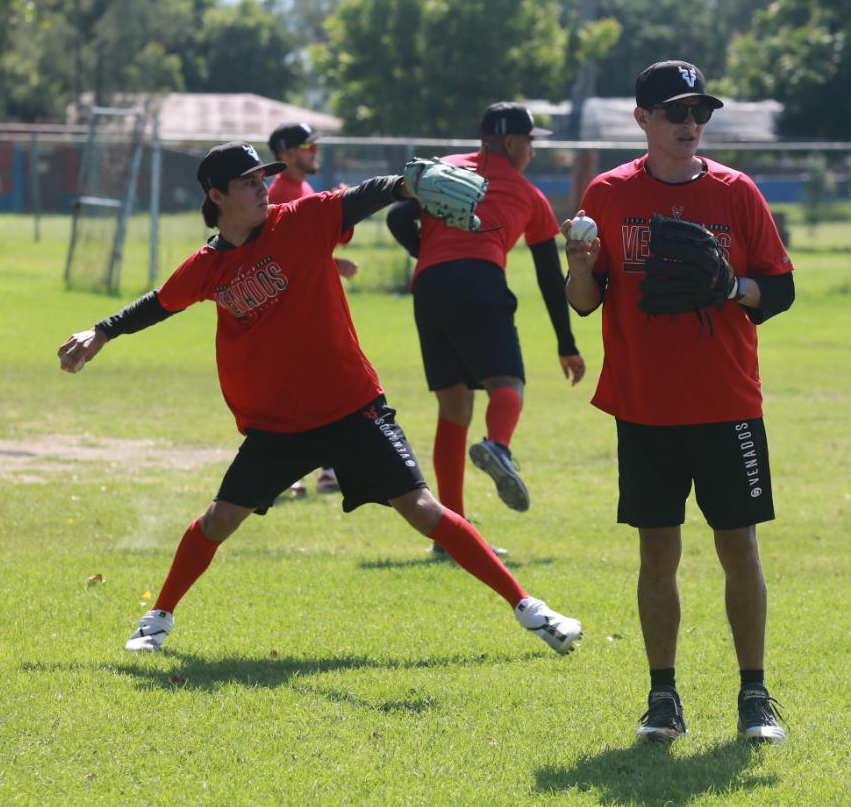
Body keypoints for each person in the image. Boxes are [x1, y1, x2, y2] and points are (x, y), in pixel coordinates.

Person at [57, 141, 582, 658]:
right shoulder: (207, 266)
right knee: (219, 520)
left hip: (352, 408)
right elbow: (160, 302)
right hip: (277, 425)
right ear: (216, 195)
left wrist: (405, 185)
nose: (262, 189)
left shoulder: (302, 220)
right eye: (247, 183)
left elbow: (361, 196)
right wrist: (101, 332)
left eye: (263, 178)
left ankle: (530, 608)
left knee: (421, 508)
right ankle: (158, 617)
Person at [563, 60, 795, 745]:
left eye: (700, 112)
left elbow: (777, 292)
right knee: (657, 552)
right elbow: (585, 301)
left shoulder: (736, 192)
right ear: (643, 120)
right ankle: (662, 697)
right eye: (675, 112)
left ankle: (754, 695)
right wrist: (578, 264)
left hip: (727, 402)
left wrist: (730, 288)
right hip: (644, 406)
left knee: (738, 546)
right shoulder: (607, 194)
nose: (691, 123)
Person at [385, 103, 585, 556]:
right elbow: (550, 277)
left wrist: (432, 252)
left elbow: (398, 218)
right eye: (531, 141)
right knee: (506, 383)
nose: (532, 151)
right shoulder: (530, 197)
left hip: (430, 287)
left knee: (454, 402)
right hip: (480, 280)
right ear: (511, 142)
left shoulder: (446, 170)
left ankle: (450, 537)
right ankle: (498, 446)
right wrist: (566, 343)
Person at [266, 121, 355, 496]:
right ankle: (304, 471)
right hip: (290, 306)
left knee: (314, 387)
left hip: (307, 302)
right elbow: (284, 251)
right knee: (308, 389)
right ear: (286, 154)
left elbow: (319, 239)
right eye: (307, 146)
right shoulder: (281, 190)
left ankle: (322, 470)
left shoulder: (300, 186)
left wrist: (343, 209)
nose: (313, 151)